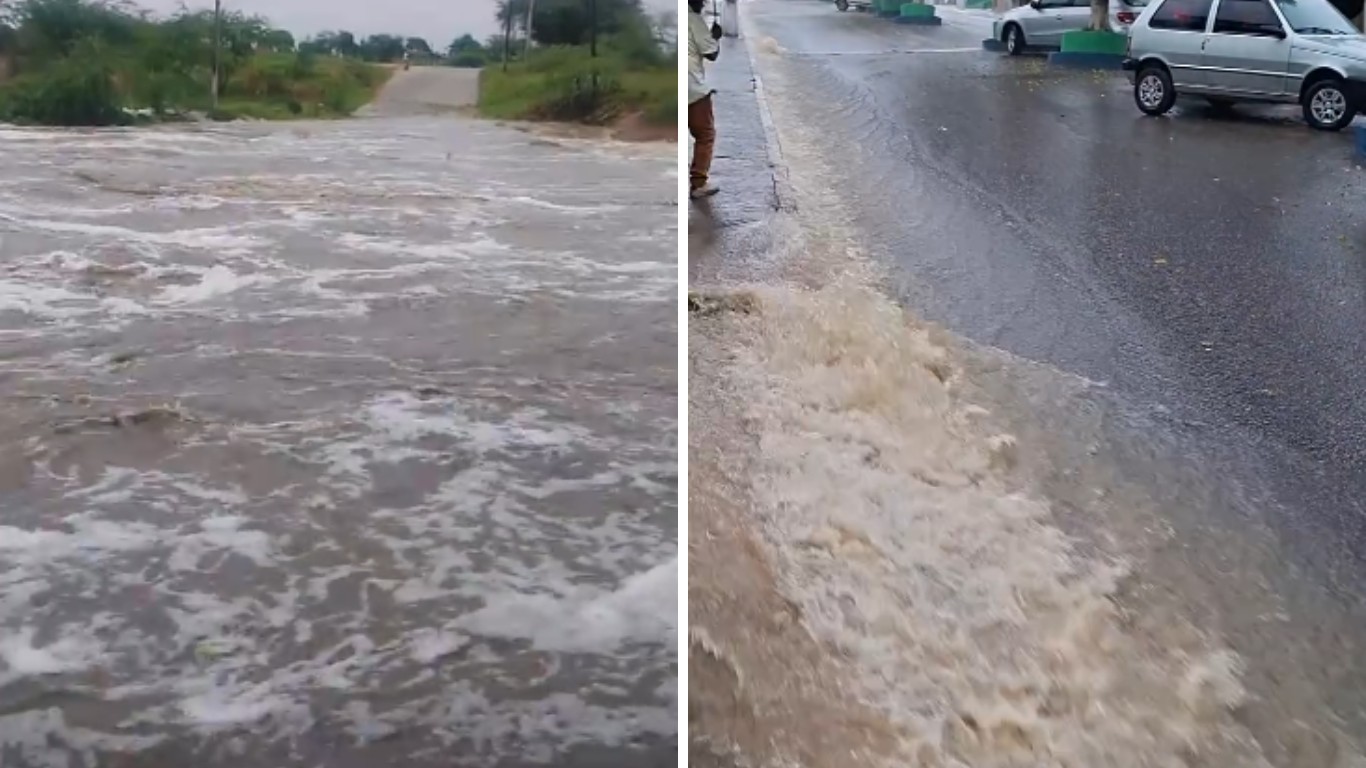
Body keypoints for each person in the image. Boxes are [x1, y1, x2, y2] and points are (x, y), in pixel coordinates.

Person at [688, 0, 723, 200]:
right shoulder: (693, 20)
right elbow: (711, 54)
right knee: (705, 134)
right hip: (692, 88)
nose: (703, 3)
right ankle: (698, 183)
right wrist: (715, 37)